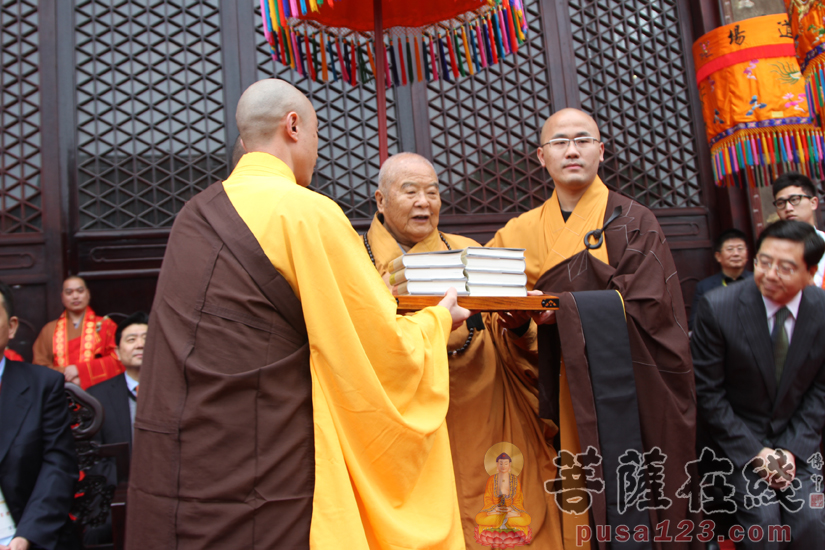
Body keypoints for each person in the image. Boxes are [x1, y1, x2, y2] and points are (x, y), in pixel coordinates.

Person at [126, 79, 470, 550]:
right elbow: (380, 347)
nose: (316, 150)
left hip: (186, 457)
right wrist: (435, 321)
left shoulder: (194, 212)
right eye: (315, 135)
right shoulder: (307, 212)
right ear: (293, 126)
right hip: (266, 459)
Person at [487, 108, 700, 548]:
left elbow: (651, 309)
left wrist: (564, 310)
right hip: (555, 386)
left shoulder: (635, 221)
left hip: (621, 386)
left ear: (601, 152)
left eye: (583, 140)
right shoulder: (518, 231)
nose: (572, 150)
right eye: (559, 142)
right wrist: (519, 324)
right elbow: (491, 305)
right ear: (541, 157)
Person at [363, 152, 562, 548]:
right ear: (380, 201)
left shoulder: (469, 253)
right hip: (404, 425)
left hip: (484, 410)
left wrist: (520, 325)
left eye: (433, 192)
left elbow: (515, 344)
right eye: (411, 191)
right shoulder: (358, 264)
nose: (425, 202)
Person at [691, 220, 825, 548]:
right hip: (739, 442)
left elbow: (820, 390)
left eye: (786, 267)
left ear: (810, 273)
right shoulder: (718, 308)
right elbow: (708, 392)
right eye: (764, 262)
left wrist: (792, 450)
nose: (770, 274)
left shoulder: (821, 310)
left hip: (796, 443)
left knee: (810, 517)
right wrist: (757, 452)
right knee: (763, 523)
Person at [0, 282, 79, 550]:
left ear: (11, 327)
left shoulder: (43, 385)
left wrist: (26, 536)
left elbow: (58, 464)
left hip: (25, 533)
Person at [32, 276, 121, 389]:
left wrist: (80, 371)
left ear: (88, 294)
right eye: (69, 292)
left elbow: (118, 359)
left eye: (80, 291)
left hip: (99, 392)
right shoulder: (49, 329)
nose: (75, 296)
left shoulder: (106, 325)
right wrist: (66, 374)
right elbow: (39, 367)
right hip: (61, 393)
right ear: (62, 297)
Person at [88, 311, 147, 454]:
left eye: (147, 338)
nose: (140, 345)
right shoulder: (96, 397)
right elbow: (92, 455)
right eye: (131, 339)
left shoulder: (177, 392)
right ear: (118, 353)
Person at [689, 228, 753, 330]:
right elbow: (694, 323)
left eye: (740, 249)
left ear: (747, 254)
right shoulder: (705, 287)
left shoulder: (759, 281)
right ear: (718, 256)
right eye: (730, 249)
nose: (736, 253)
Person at [771, 172, 825, 287]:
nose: (788, 208)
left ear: (813, 203)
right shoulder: (772, 251)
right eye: (781, 203)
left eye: (795, 199)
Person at [475, 453, 531, 547]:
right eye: (501, 463)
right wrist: (495, 509)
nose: (503, 466)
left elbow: (518, 500)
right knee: (479, 518)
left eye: (506, 463)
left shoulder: (515, 480)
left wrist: (511, 510)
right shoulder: (491, 479)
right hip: (495, 511)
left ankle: (504, 519)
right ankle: (504, 519)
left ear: (509, 465)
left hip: (511, 511)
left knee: (527, 519)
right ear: (497, 465)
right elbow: (488, 499)